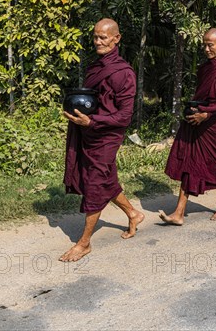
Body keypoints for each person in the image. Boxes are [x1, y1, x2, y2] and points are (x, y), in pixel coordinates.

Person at [60, 18, 145, 262]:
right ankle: (132, 213)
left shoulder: (124, 73)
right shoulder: (95, 67)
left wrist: (93, 122)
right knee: (106, 179)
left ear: (116, 39)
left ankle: (84, 243)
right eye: (95, 37)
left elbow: (124, 116)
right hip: (88, 131)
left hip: (107, 135)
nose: (98, 41)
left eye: (103, 37)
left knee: (95, 184)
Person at [159, 28, 216, 225]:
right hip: (198, 118)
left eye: (210, 45)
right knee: (189, 162)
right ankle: (179, 212)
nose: (206, 49)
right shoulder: (204, 68)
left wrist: (207, 114)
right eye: (204, 44)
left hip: (215, 122)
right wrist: (192, 111)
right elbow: (200, 95)